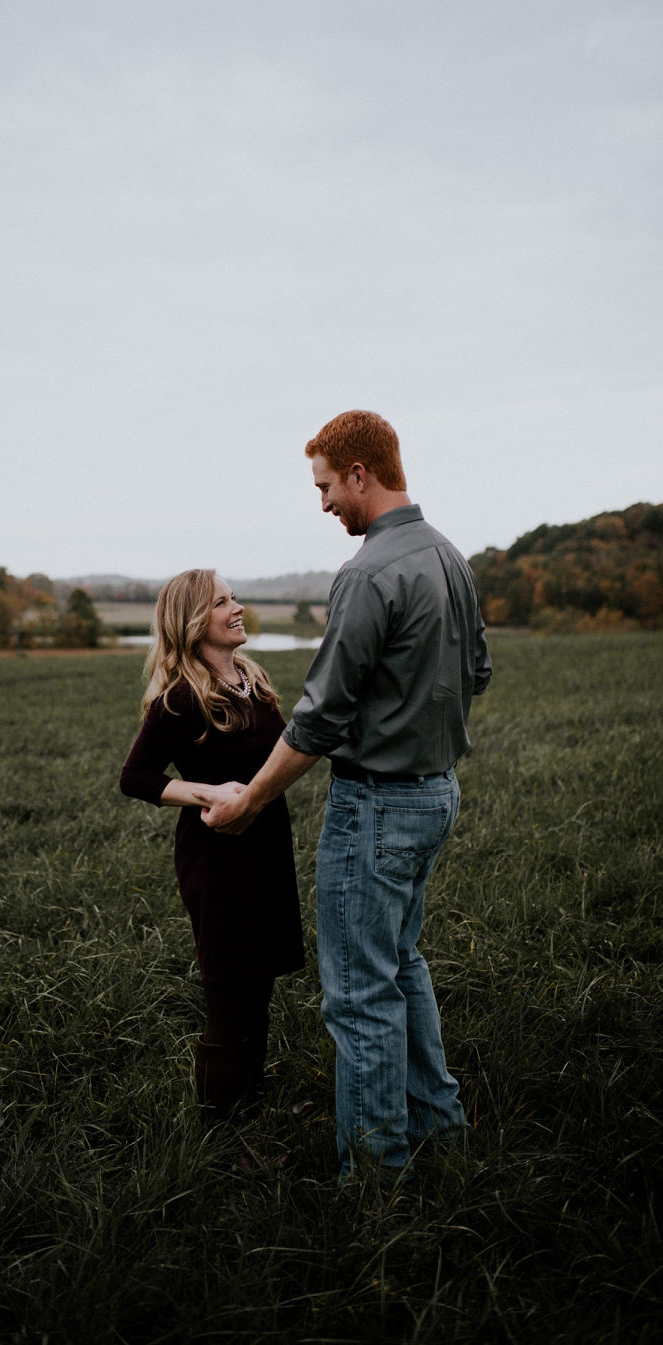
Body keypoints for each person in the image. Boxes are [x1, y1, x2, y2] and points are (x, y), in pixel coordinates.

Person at [197, 410, 492, 1179]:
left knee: (360, 993)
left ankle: (374, 1175)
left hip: (379, 808)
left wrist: (251, 800)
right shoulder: (452, 558)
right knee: (402, 964)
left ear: (360, 474)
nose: (323, 502)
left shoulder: (367, 573)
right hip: (438, 792)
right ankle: (441, 1128)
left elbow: (319, 719)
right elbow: (479, 671)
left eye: (326, 485)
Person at [119, 568, 305, 1121]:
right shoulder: (181, 698)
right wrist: (208, 792)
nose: (237, 607)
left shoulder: (251, 677)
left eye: (234, 597)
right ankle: (221, 1131)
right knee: (230, 988)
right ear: (195, 622)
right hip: (219, 857)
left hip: (267, 847)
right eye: (222, 603)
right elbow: (136, 776)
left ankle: (252, 1108)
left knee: (261, 979)